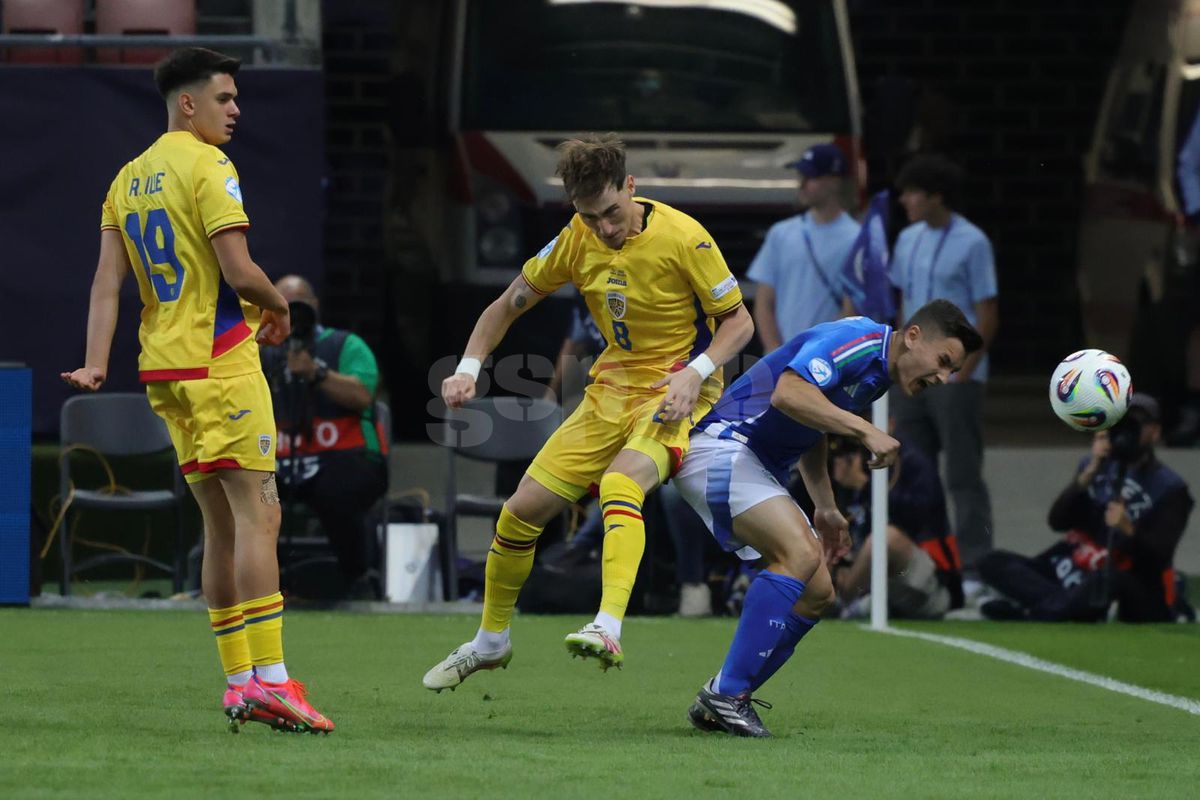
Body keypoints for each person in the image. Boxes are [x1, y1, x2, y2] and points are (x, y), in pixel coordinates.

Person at [60, 48, 333, 734]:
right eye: (225, 98)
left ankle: (239, 683)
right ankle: (273, 681)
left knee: (219, 523)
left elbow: (105, 285)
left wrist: (96, 364)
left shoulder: (128, 179)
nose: (236, 110)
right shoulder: (208, 165)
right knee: (259, 517)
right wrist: (281, 307)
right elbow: (239, 271)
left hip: (165, 371)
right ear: (189, 103)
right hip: (219, 362)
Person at [423, 133, 754, 691]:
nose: (604, 227)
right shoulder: (576, 240)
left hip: (677, 388)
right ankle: (490, 641)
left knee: (621, 485)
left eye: (611, 212)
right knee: (518, 513)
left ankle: (607, 625)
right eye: (589, 216)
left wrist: (695, 372)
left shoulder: (685, 237)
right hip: (611, 388)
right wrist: (469, 369)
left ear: (631, 186)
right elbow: (505, 305)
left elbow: (739, 323)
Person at [673, 300, 982, 737]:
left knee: (818, 592)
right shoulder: (858, 340)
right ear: (913, 337)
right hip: (723, 446)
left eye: (952, 371)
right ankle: (728, 694)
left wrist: (825, 505)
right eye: (944, 361)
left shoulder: (876, 374)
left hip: (752, 463)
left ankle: (723, 695)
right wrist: (865, 430)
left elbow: (810, 420)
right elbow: (789, 393)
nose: (945, 378)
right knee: (798, 554)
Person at [979, 395, 1193, 623]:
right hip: (1074, 570)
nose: (1129, 429)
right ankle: (1064, 606)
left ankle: (1034, 612)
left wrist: (1128, 529)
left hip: (1132, 581)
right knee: (992, 561)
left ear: (1155, 432)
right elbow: (1058, 522)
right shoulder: (1096, 467)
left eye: (1138, 423)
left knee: (1109, 579)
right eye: (1122, 422)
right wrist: (1086, 477)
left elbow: (1160, 556)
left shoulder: (1171, 488)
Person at [890, 154, 999, 585]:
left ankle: (975, 563)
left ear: (936, 197)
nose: (904, 201)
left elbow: (987, 312)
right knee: (914, 469)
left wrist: (964, 370)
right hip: (913, 373)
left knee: (962, 473)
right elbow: (904, 303)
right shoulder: (908, 239)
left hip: (956, 376)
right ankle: (927, 560)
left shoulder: (973, 241)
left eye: (912, 193)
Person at [261, 275, 387, 598]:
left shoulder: (345, 345)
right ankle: (259, 587)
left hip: (345, 457)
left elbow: (363, 395)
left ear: (315, 307)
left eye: (299, 305)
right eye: (282, 304)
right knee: (247, 494)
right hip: (280, 463)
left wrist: (316, 373)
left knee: (335, 490)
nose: (291, 312)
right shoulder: (258, 352)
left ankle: (358, 577)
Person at [824, 433, 962, 619]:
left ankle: (841, 600)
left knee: (885, 538)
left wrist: (865, 485)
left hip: (929, 582)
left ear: (890, 421)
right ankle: (828, 598)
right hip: (879, 586)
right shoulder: (843, 476)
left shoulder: (910, 461)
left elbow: (915, 516)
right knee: (820, 536)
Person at [748, 143, 860, 352]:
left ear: (834, 182)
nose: (802, 184)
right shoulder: (780, 233)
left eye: (812, 178)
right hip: (782, 360)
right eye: (802, 176)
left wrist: (820, 355)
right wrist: (775, 353)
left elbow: (851, 310)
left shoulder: (856, 238)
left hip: (828, 360)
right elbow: (764, 302)